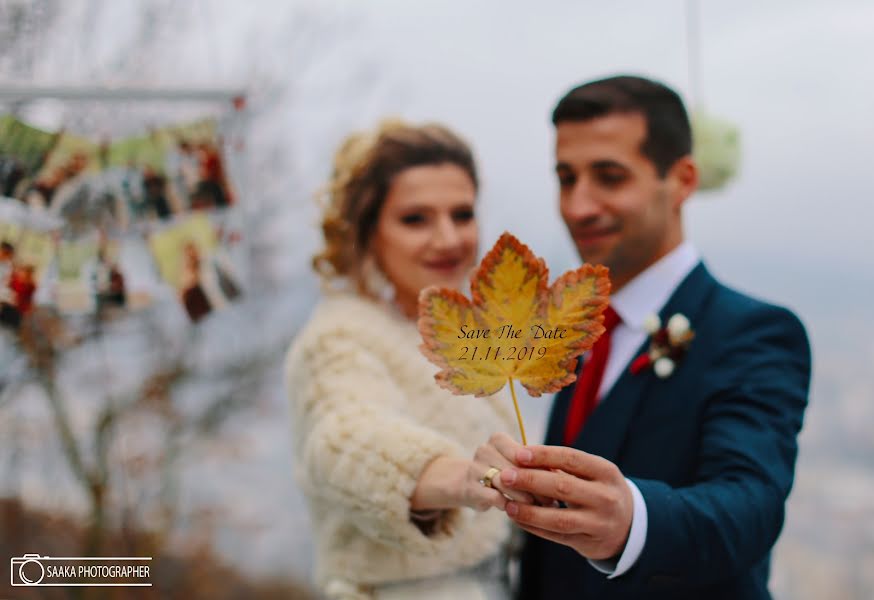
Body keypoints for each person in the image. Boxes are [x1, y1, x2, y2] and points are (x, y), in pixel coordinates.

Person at [479, 76, 811, 599]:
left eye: (609, 177)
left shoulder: (755, 332)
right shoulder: (574, 328)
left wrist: (631, 521)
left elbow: (749, 506)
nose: (578, 206)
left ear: (681, 179)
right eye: (566, 179)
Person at [285, 120, 523, 600]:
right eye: (416, 219)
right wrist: (461, 478)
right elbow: (343, 439)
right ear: (369, 233)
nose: (448, 238)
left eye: (462, 214)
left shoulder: (472, 333)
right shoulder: (340, 335)